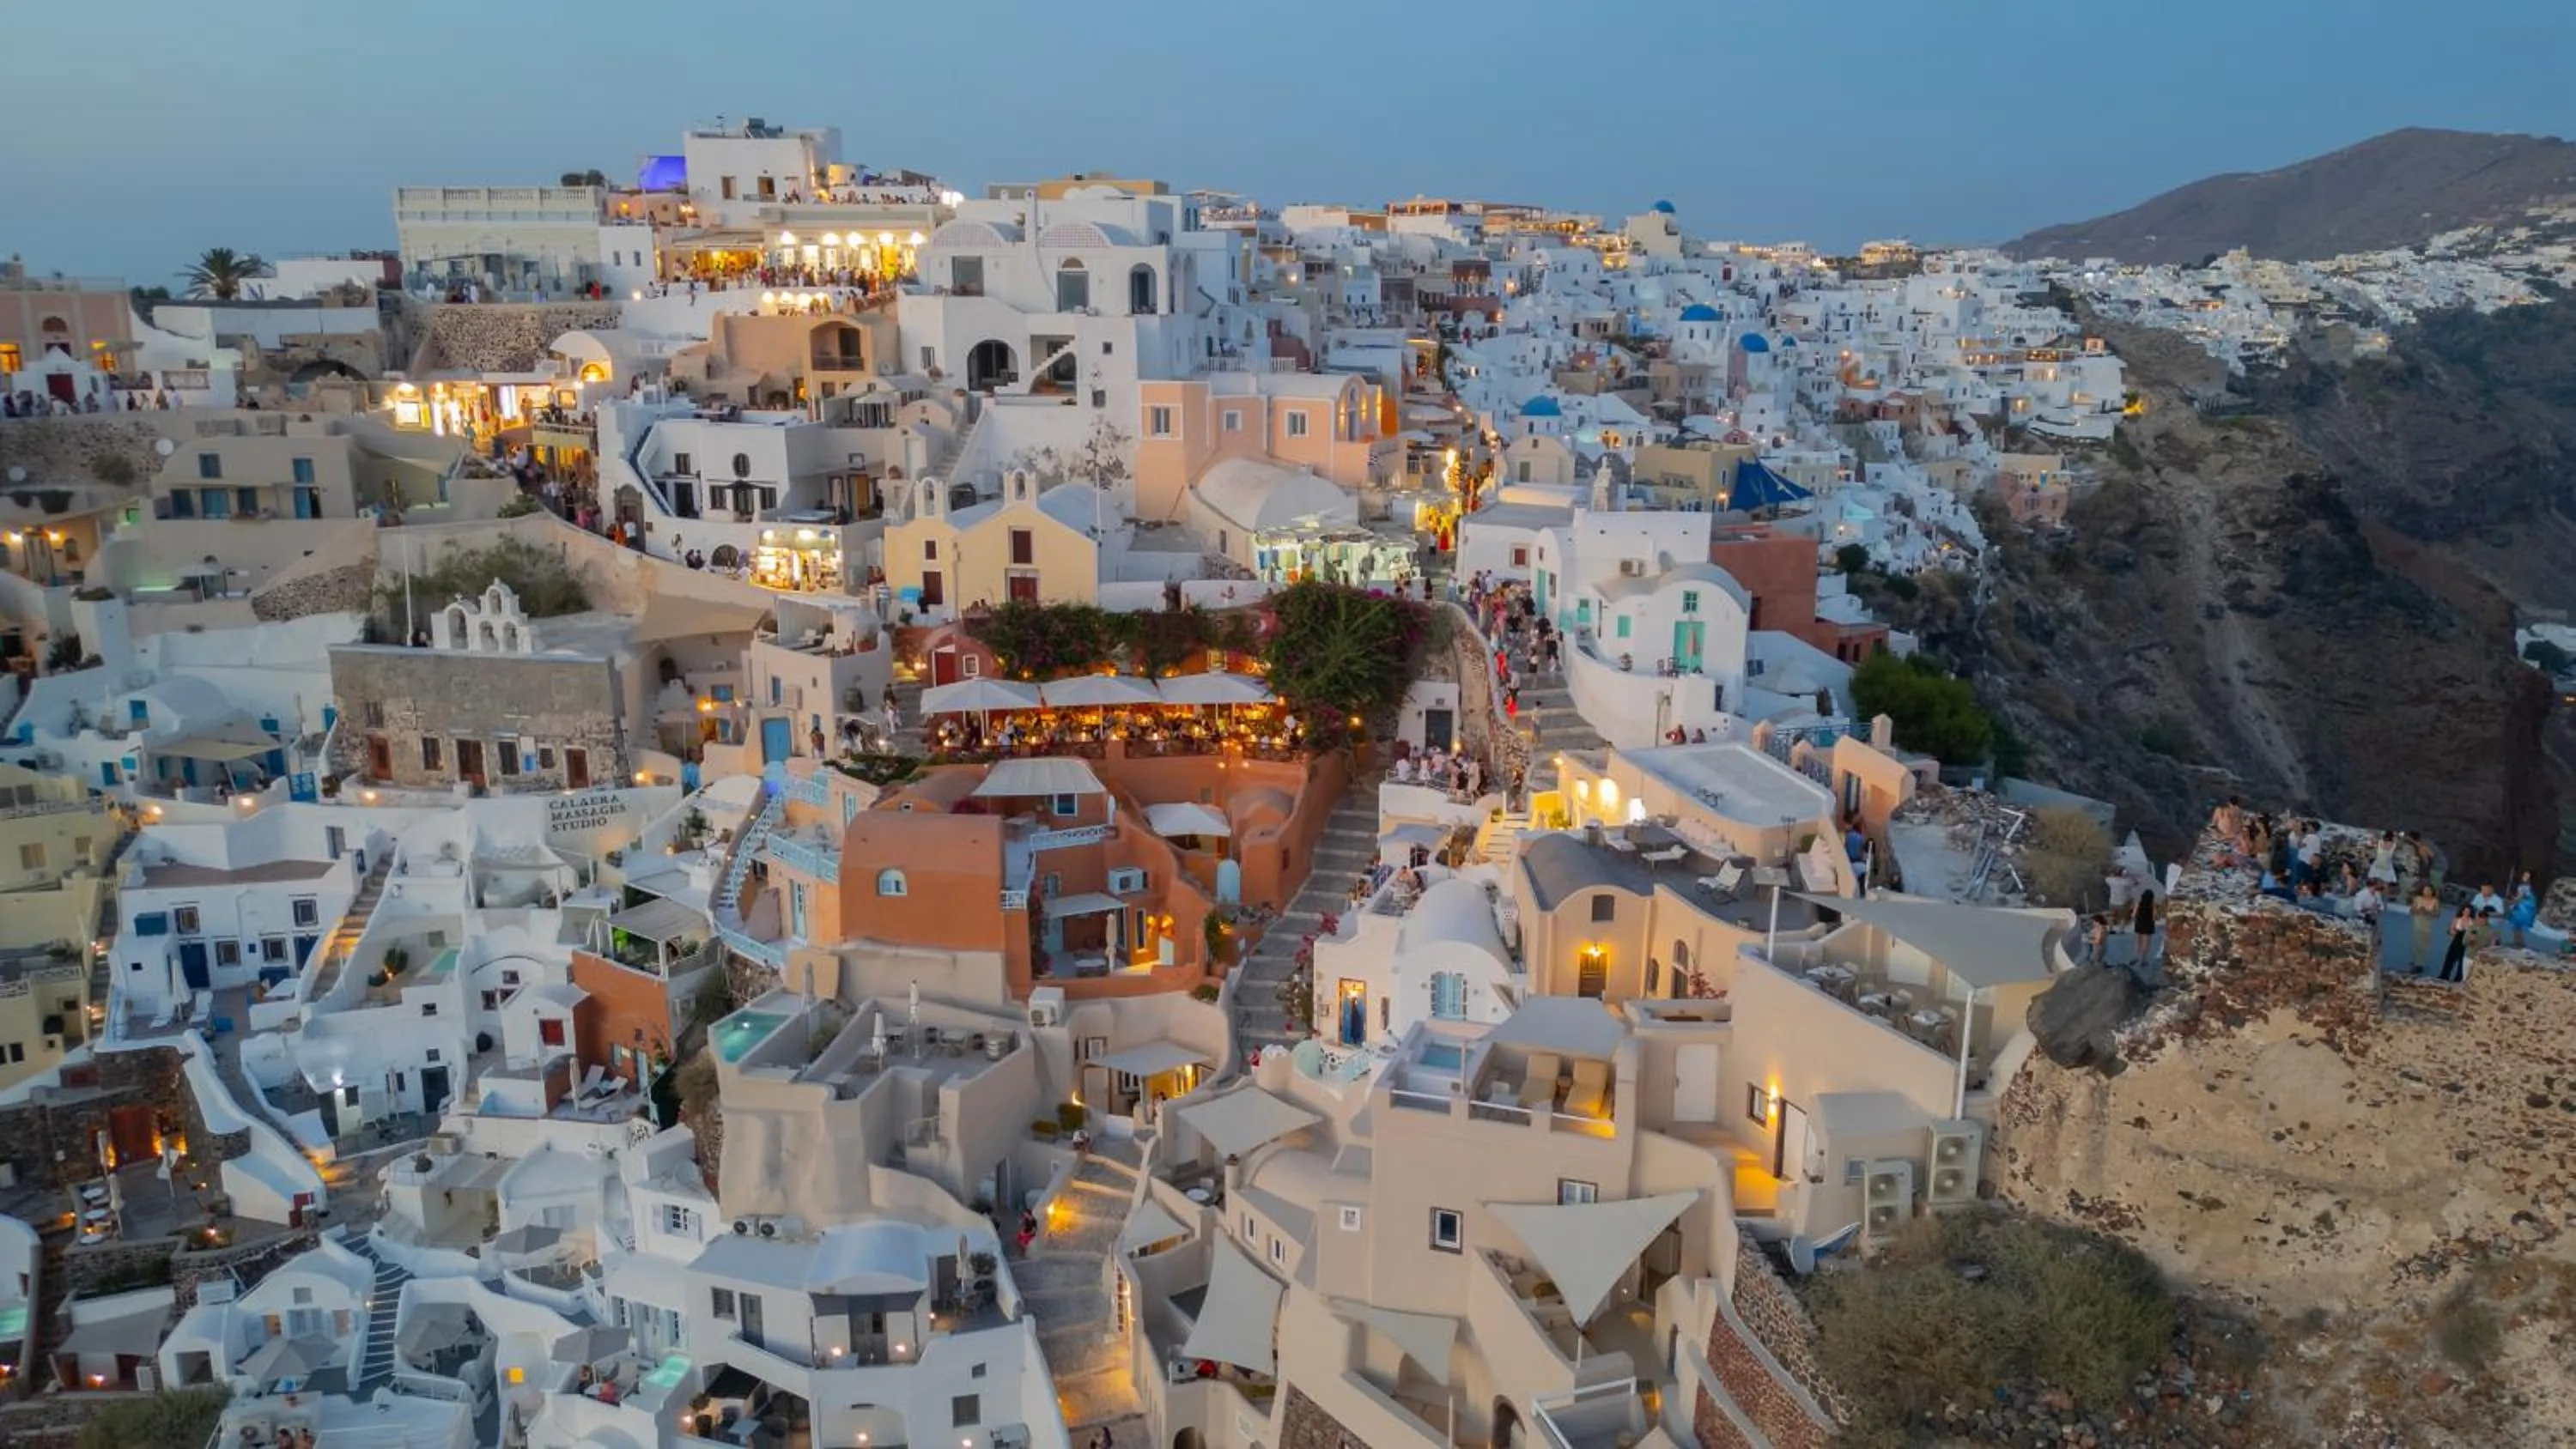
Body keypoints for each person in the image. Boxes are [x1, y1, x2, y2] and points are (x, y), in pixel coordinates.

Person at [2409, 882, 2441, 971]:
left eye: (2429, 890)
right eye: (2425, 890)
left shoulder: (2435, 901)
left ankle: (2420, 965)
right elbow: (2411, 911)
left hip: (2428, 926)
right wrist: (2417, 910)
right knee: (2417, 944)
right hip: (2417, 924)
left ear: (2432, 891)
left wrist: (2428, 912)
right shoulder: (2418, 899)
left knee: (2423, 946)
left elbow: (2437, 914)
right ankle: (2416, 961)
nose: (2427, 892)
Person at [2438, 905, 2473, 983]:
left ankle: (2458, 978)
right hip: (2456, 940)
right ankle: (2444, 976)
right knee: (2449, 959)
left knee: (2462, 962)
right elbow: (2450, 930)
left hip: (2465, 942)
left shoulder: (2472, 921)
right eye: (2466, 911)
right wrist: (2453, 931)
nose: (2467, 913)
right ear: (2462, 911)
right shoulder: (2457, 919)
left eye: (2469, 911)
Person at [2131, 888, 2158, 968]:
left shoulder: (2138, 902)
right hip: (2148, 924)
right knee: (2146, 943)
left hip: (2139, 922)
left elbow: (2133, 915)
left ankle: (2135, 957)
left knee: (2137, 941)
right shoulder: (2152, 904)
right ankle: (2142, 960)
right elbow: (2154, 916)